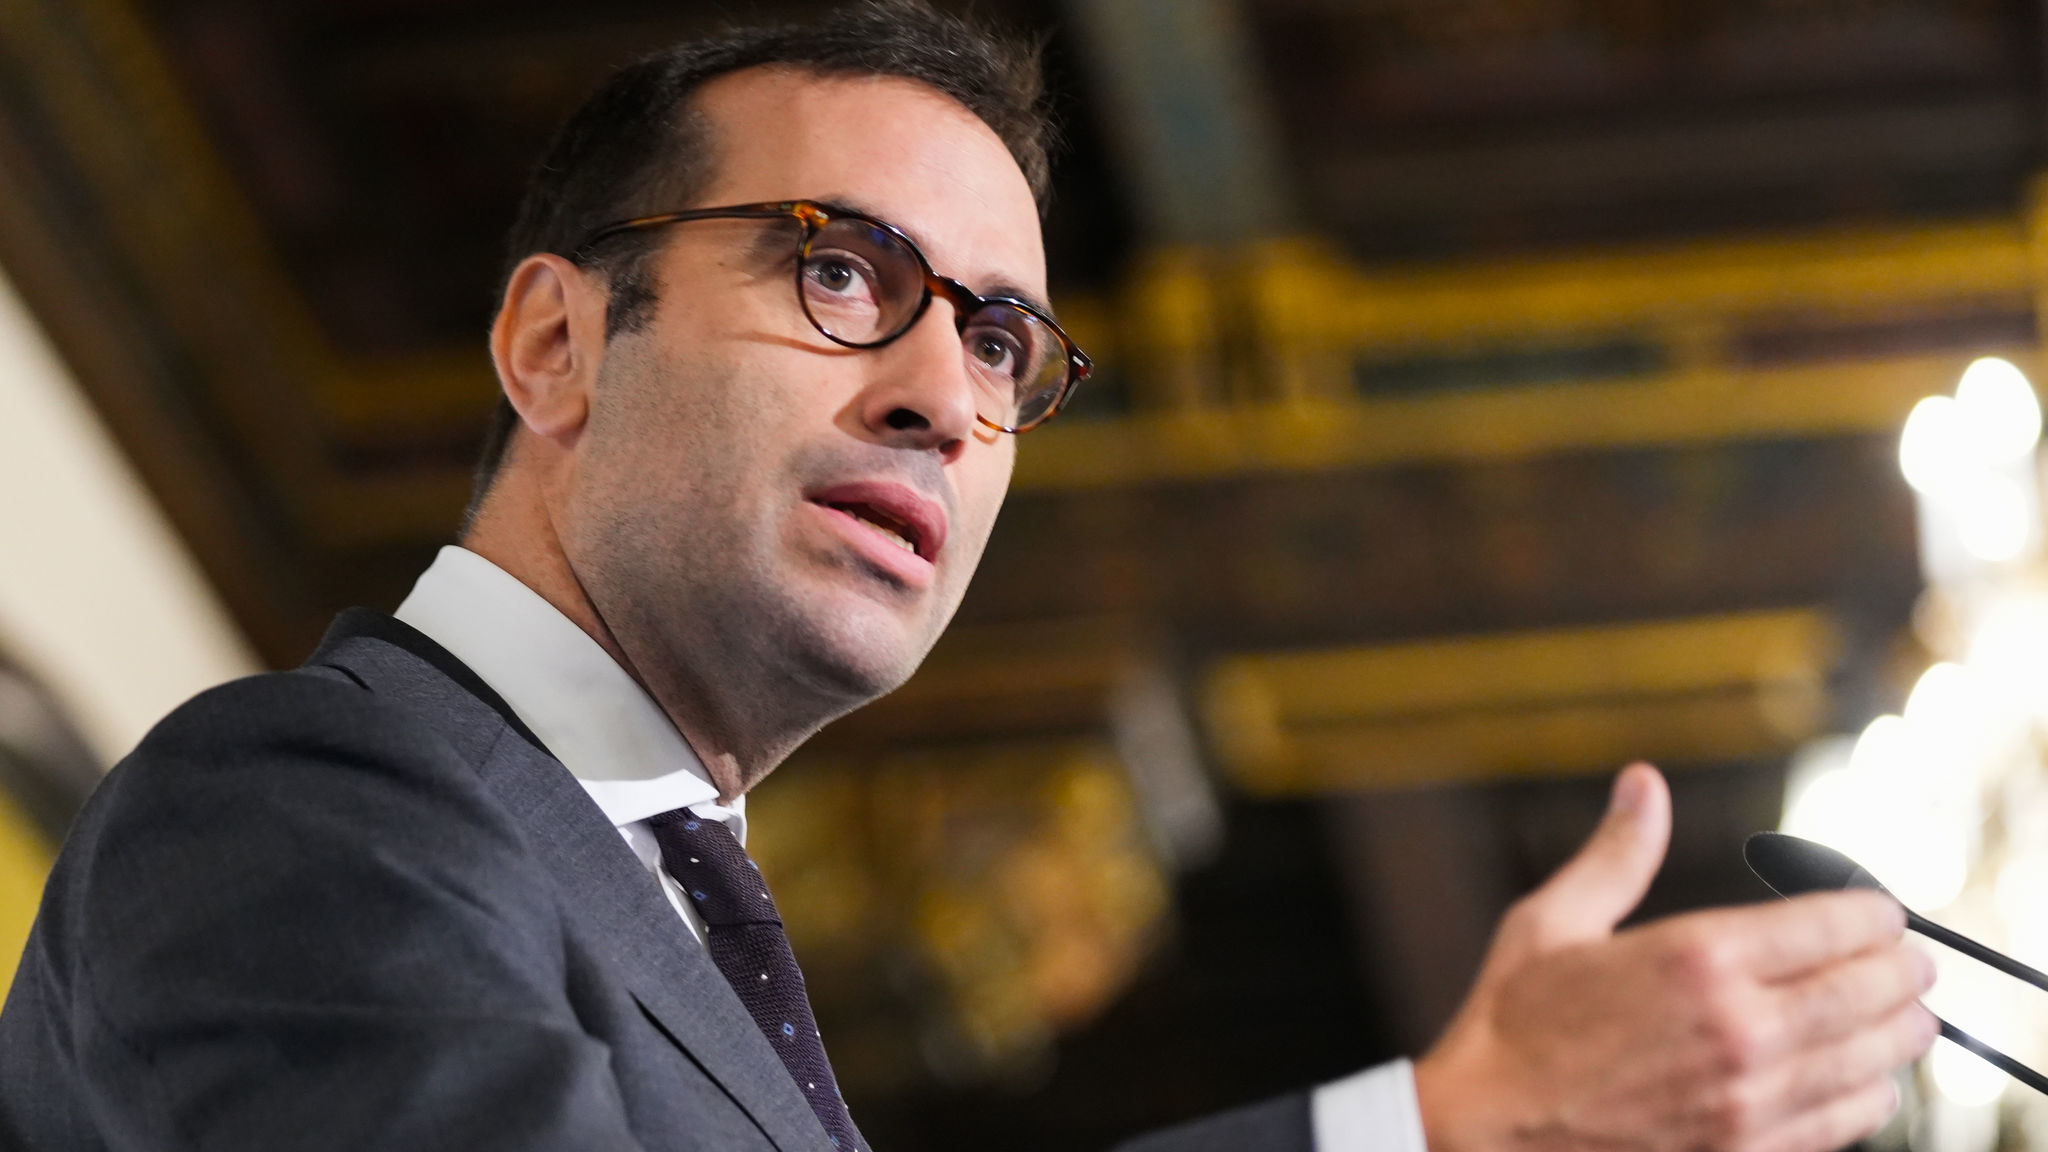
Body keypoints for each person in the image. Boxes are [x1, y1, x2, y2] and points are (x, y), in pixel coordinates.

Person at [0, 4, 1938, 1151]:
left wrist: (1434, 1124)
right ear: (557, 345)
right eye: (842, 273)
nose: (945, 396)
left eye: (1003, 343)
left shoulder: (659, 911)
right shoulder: (306, 804)